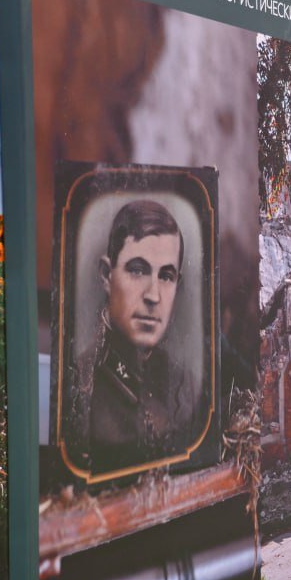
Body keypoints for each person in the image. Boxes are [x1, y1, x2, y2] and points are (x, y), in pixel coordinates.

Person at [71, 199, 198, 475]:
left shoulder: (183, 382)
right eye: (138, 270)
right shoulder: (79, 383)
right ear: (107, 275)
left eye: (166, 276)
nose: (153, 296)